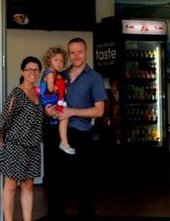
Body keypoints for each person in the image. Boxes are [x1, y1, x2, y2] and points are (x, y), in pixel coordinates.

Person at [44, 37, 107, 221]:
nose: (76, 56)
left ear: (86, 51)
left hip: (81, 135)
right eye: (72, 52)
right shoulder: (60, 75)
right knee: (55, 185)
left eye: (80, 51)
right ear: (68, 54)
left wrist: (72, 111)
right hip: (57, 135)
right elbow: (49, 99)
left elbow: (100, 110)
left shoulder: (95, 78)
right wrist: (48, 111)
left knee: (84, 186)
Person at [0, 56, 44, 221]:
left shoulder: (38, 94)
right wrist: (2, 141)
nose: (33, 72)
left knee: (28, 185)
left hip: (32, 147)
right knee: (10, 186)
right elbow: (5, 118)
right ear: (22, 72)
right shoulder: (17, 93)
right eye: (29, 69)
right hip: (15, 146)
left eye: (36, 69)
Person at [40, 46, 75, 154]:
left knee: (63, 118)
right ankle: (64, 143)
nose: (59, 63)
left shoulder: (56, 74)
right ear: (49, 60)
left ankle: (64, 142)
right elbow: (51, 88)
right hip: (49, 101)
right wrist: (60, 86)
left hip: (52, 100)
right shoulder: (50, 74)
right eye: (56, 60)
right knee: (65, 117)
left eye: (61, 61)